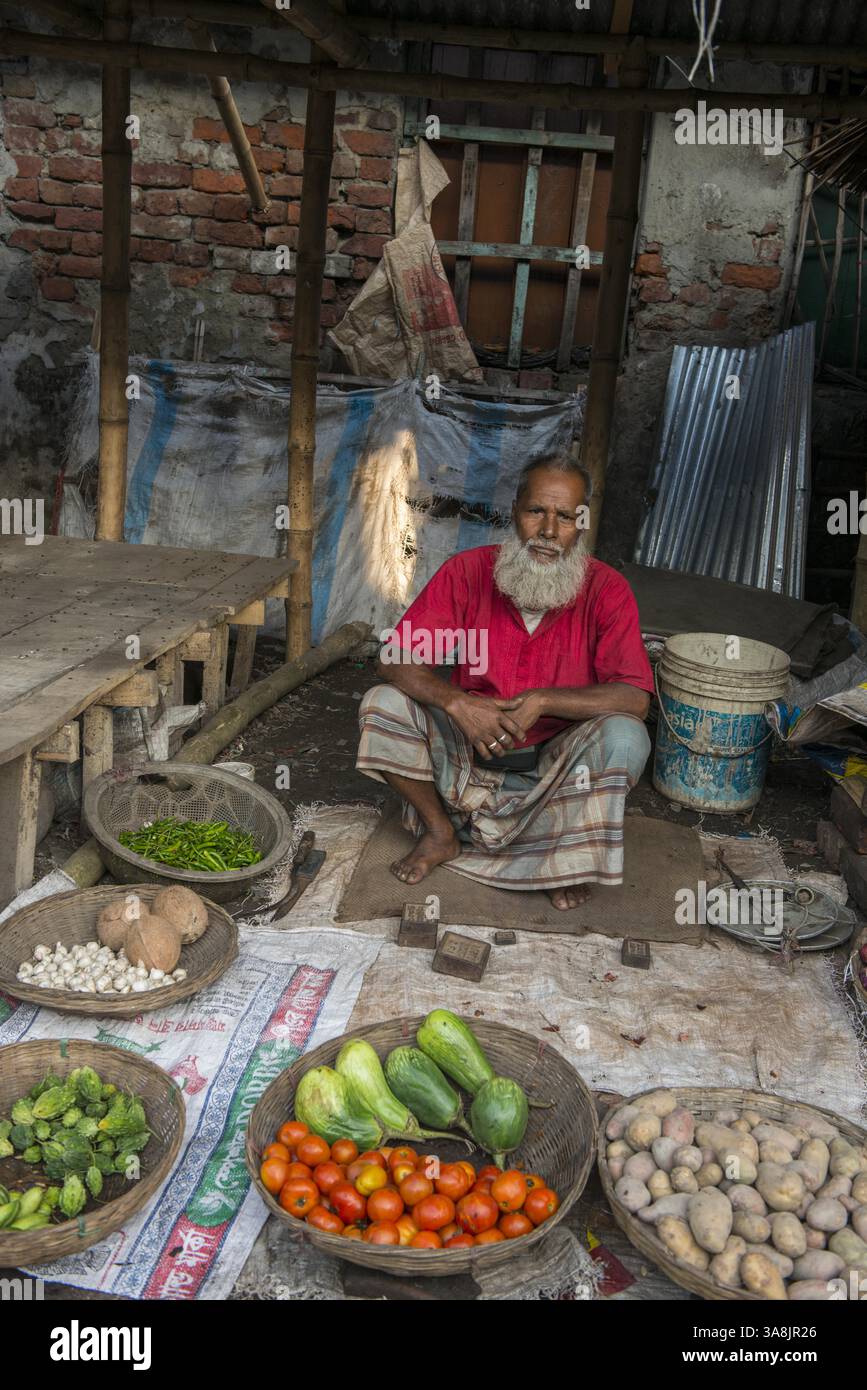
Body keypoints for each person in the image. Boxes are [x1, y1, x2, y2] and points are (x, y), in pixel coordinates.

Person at [356, 454, 653, 909]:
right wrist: (458, 704)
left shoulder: (607, 590)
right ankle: (441, 832)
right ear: (515, 510)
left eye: (566, 517)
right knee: (382, 704)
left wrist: (545, 700)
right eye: (537, 512)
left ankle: (560, 855)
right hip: (464, 753)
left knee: (626, 737)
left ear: (583, 522)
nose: (550, 532)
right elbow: (393, 659)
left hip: (554, 768)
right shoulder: (468, 572)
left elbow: (634, 697)